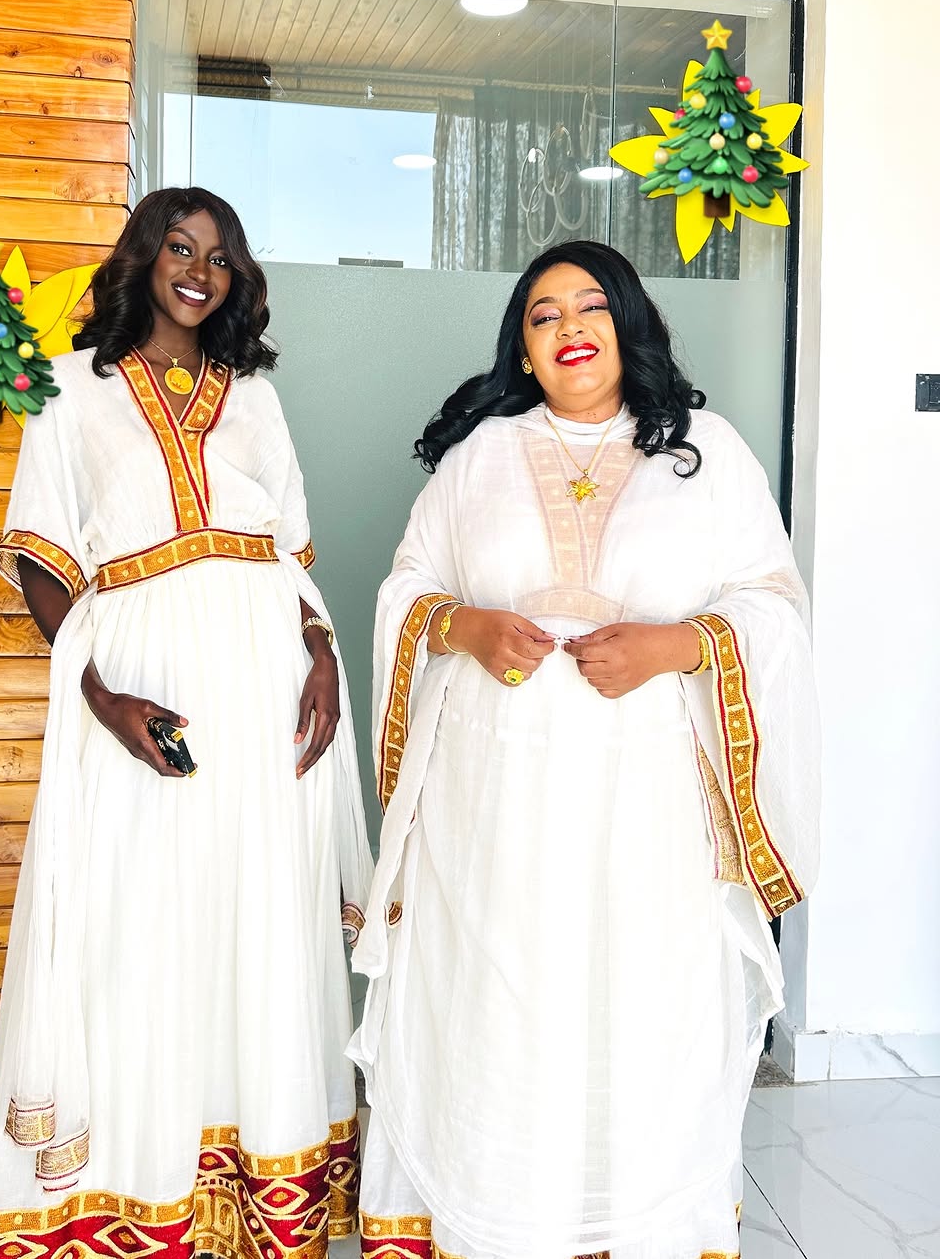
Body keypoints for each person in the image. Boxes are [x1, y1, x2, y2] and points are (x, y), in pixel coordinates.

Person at [350, 241, 819, 1259]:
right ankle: (499, 1217)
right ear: (522, 345)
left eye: (590, 307)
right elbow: (406, 588)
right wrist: (462, 627)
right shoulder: (479, 456)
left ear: (629, 323)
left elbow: (774, 607)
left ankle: (630, 1219)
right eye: (544, 314)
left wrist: (676, 644)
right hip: (493, 800)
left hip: (645, 797)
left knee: (636, 1004)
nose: (570, 329)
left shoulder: (710, 451)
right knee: (502, 1001)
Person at [0, 187, 374, 1259]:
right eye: (180, 248)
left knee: (258, 917)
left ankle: (256, 1188)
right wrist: (102, 696)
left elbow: (290, 554)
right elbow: (44, 566)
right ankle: (128, 1192)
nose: (200, 269)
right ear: (144, 257)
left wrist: (325, 659)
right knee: (140, 924)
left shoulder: (256, 400)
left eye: (221, 255)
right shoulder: (70, 394)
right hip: (150, 687)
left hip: (267, 684)